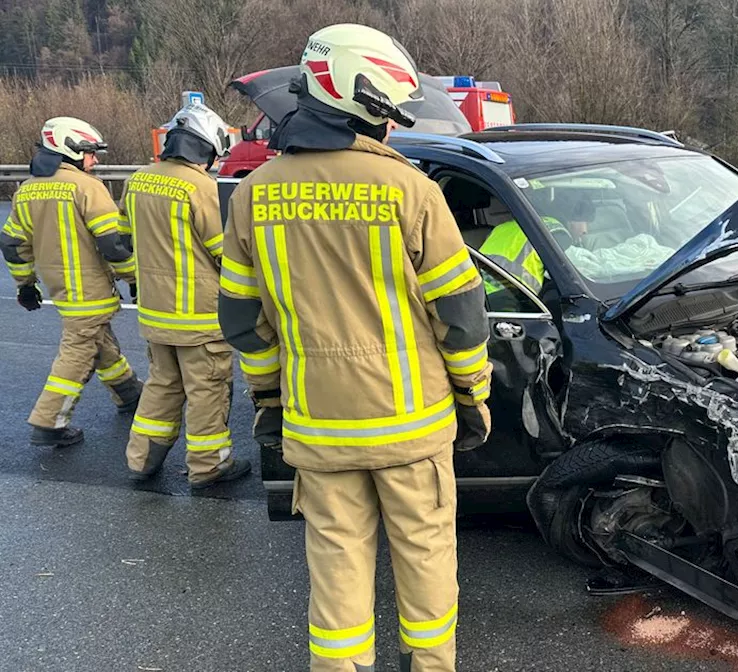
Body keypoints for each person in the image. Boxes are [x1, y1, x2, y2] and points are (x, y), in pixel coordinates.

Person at [217, 24, 491, 672]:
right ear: (368, 110)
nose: (392, 130)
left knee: (336, 569)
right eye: (389, 117)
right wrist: (472, 394)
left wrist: (268, 397)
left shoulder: (254, 195)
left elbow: (241, 321)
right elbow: (463, 317)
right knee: (425, 560)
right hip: (413, 427)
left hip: (320, 424)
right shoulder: (411, 192)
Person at [120, 102, 251, 487]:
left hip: (155, 313)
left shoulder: (138, 180)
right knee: (207, 391)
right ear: (207, 147)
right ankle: (209, 466)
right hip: (198, 316)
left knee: (162, 386)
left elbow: (125, 237)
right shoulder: (201, 188)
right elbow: (224, 252)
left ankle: (140, 460)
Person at [0, 117, 143, 447]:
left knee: (98, 340)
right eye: (91, 153)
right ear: (72, 151)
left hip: (60, 287)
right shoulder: (88, 188)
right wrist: (134, 278)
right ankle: (48, 421)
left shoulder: (27, 189)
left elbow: (11, 243)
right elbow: (112, 243)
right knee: (77, 353)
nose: (95, 160)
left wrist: (25, 284)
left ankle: (128, 393)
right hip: (89, 289)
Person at [478, 198, 594, 294]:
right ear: (569, 218)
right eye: (584, 222)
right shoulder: (556, 232)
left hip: (482, 293)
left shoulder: (502, 228)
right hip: (511, 296)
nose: (585, 230)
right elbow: (576, 273)